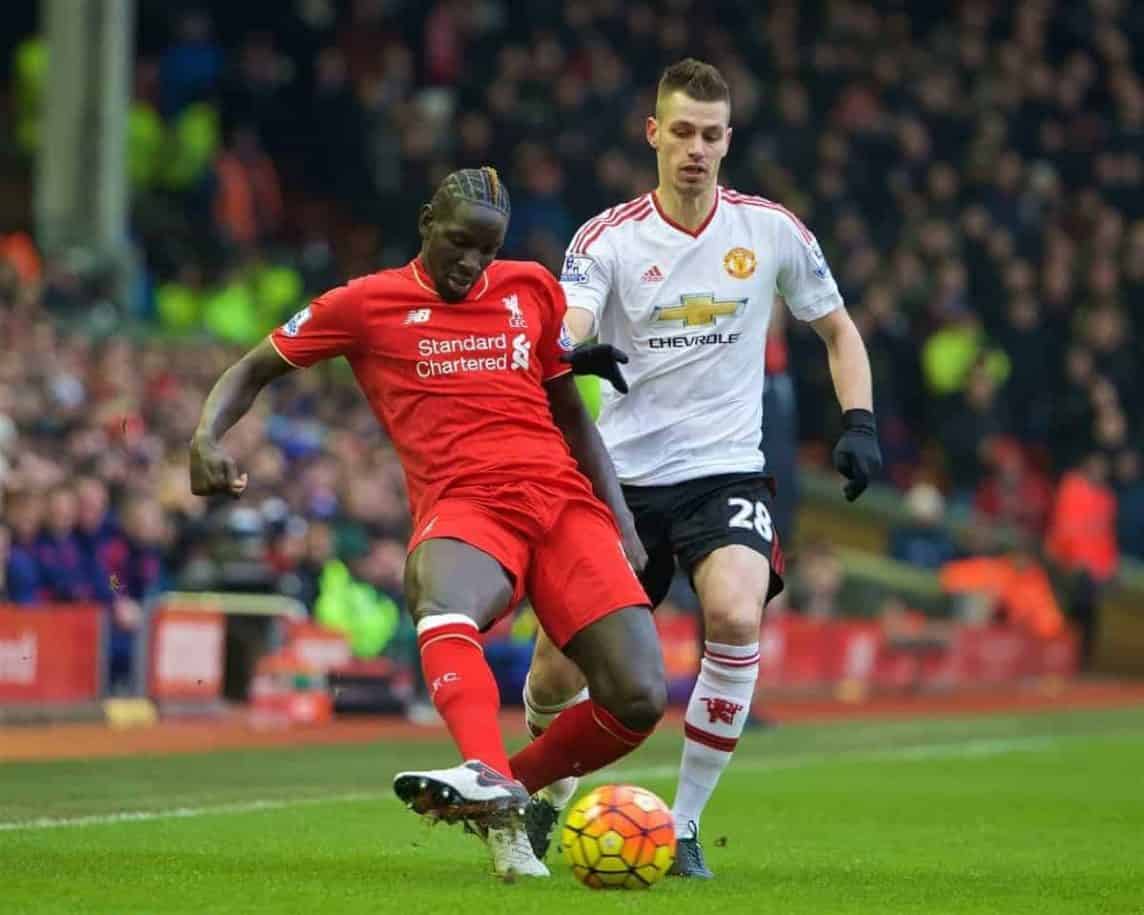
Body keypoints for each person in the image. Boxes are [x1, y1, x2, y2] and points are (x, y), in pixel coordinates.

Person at [188, 167, 667, 879]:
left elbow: (570, 412)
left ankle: (503, 790)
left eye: (486, 249)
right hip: (467, 502)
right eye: (458, 243)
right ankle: (486, 773)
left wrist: (622, 519)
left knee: (639, 696)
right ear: (425, 223)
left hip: (564, 502)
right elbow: (251, 369)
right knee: (441, 597)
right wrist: (205, 437)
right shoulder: (364, 304)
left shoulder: (530, 287)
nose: (471, 263)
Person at [521, 59, 882, 879]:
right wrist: (575, 345)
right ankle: (545, 789)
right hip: (620, 485)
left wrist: (858, 422)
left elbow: (840, 332)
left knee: (736, 616)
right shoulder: (607, 237)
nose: (694, 149)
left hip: (726, 473)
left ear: (728, 141)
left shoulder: (772, 232)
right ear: (653, 133)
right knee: (555, 669)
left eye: (710, 135)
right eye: (680, 131)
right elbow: (570, 314)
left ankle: (681, 825)